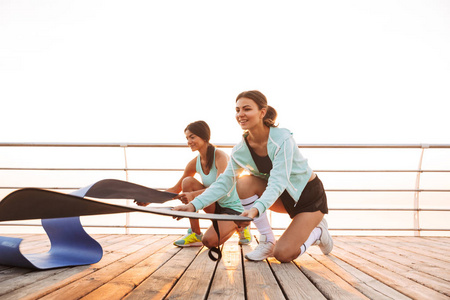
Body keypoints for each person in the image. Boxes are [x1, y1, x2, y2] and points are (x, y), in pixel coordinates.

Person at [173, 91, 333, 262]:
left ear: (262, 112)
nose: (240, 114)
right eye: (237, 110)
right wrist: (193, 205)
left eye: (247, 109)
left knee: (283, 255)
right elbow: (223, 183)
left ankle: (318, 231)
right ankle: (267, 240)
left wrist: (255, 209)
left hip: (308, 199)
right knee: (242, 184)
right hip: (282, 199)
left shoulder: (282, 139)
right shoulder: (240, 150)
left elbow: (278, 181)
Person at [137, 120, 251, 247]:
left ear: (204, 137)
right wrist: (150, 199)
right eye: (187, 138)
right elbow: (176, 189)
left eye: (192, 137)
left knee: (209, 242)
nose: (189, 142)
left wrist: (193, 195)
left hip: (232, 209)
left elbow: (222, 187)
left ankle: (241, 224)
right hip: (212, 205)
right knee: (187, 182)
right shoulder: (194, 163)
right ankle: (196, 234)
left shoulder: (220, 156)